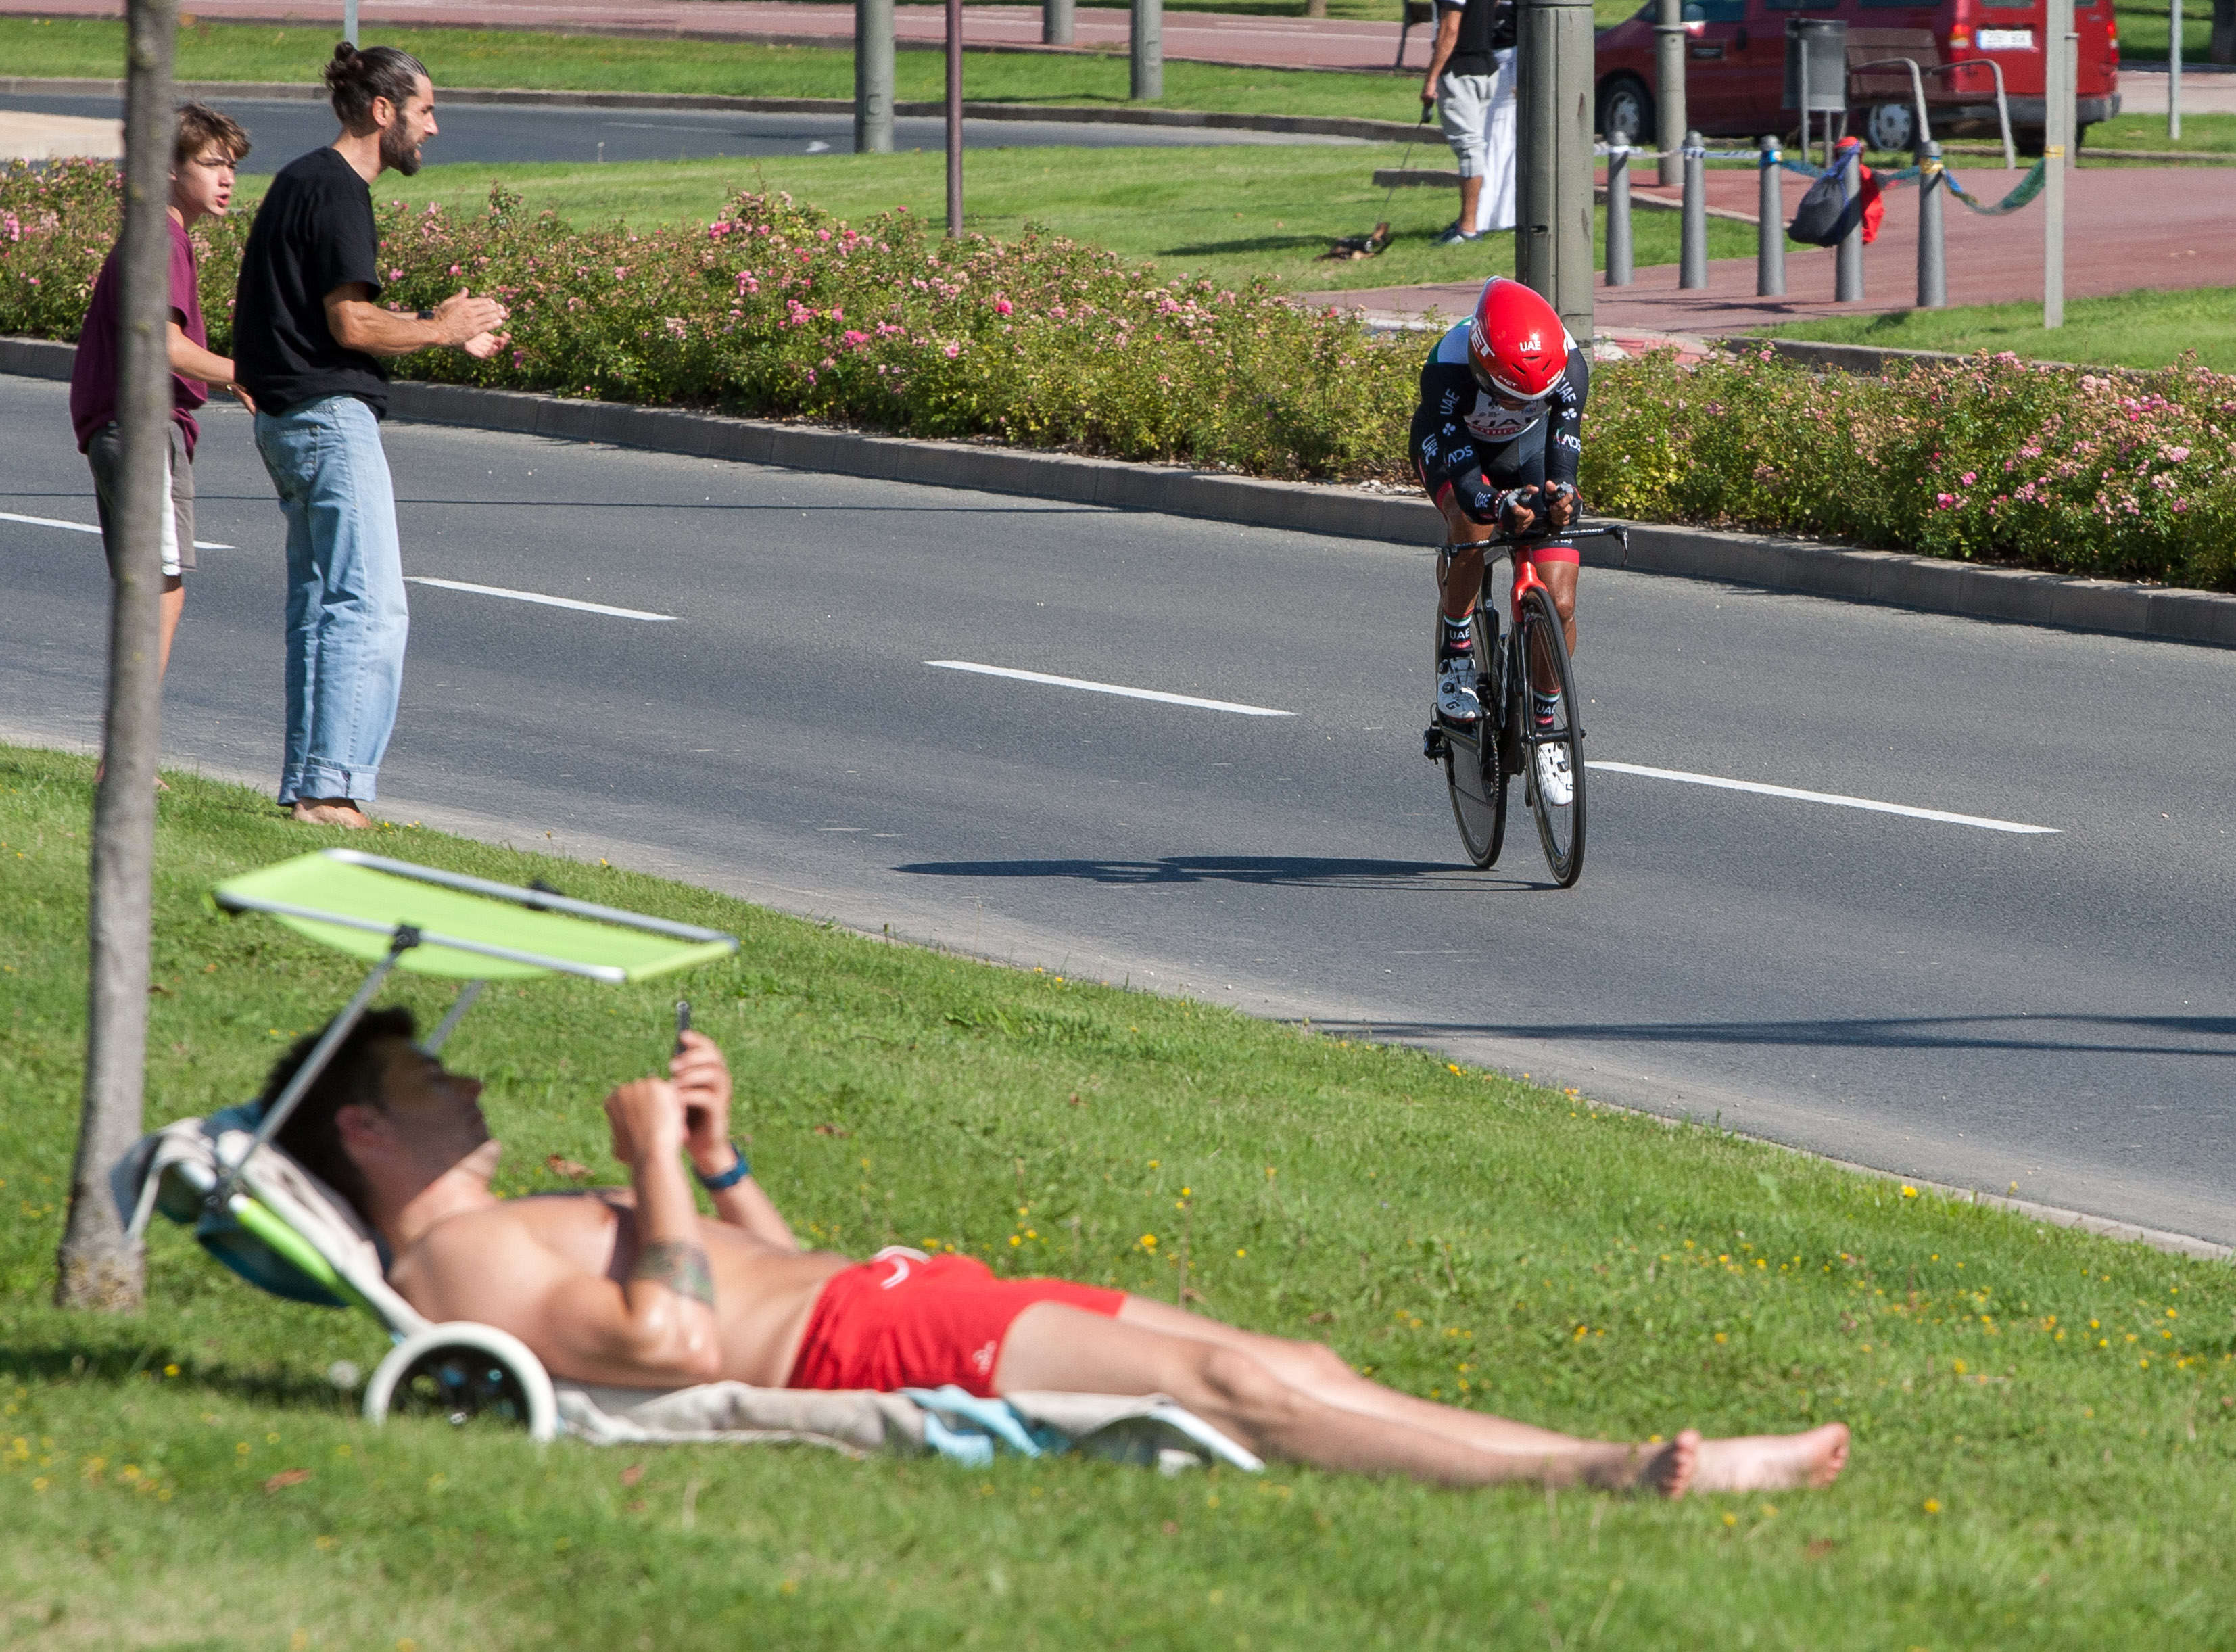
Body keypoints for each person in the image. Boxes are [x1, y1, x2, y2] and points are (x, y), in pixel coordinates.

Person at [266, 1008, 1851, 1496]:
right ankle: (1611, 1475)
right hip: (871, 1354)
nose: (467, 1086)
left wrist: (715, 1162)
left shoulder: (502, 1227)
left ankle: (1602, 1460)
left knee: (1286, 1366)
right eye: (429, 1082)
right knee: (1236, 1381)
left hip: (890, 1303)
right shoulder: (458, 1276)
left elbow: (770, 1266)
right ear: (363, 1136)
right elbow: (675, 1351)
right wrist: (642, 1179)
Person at [231, 42, 508, 830]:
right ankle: (332, 791)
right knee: (368, 606)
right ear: (382, 112)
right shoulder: (339, 189)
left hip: (289, 421)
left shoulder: (299, 181)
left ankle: (312, 786)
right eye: (425, 110)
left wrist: (441, 332)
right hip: (326, 421)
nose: (434, 127)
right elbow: (349, 322)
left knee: (322, 606)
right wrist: (444, 328)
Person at [69, 102, 254, 734]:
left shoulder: (160, 236)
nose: (226, 177)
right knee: (160, 588)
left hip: (127, 428)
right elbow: (165, 347)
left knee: (148, 584)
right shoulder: (161, 239)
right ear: (168, 170)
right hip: (144, 429)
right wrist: (244, 373)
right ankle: (126, 750)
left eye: (231, 165)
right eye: (210, 164)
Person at [1408, 277, 1590, 806]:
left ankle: (1545, 721)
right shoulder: (1445, 368)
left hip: (1528, 451)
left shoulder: (1570, 366)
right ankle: (1456, 647)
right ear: (1482, 364)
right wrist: (1497, 507)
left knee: (1559, 600)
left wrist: (1563, 498)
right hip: (1457, 452)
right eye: (1509, 395)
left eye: (1530, 397)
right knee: (1471, 527)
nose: (1517, 404)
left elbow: (1564, 459)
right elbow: (1467, 484)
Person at [1420, 0, 1517, 244]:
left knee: (1470, 148)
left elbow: (1450, 29)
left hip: (1461, 69)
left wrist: (1431, 78)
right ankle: (1476, 220)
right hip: (1487, 66)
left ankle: (1469, 228)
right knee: (1479, 145)